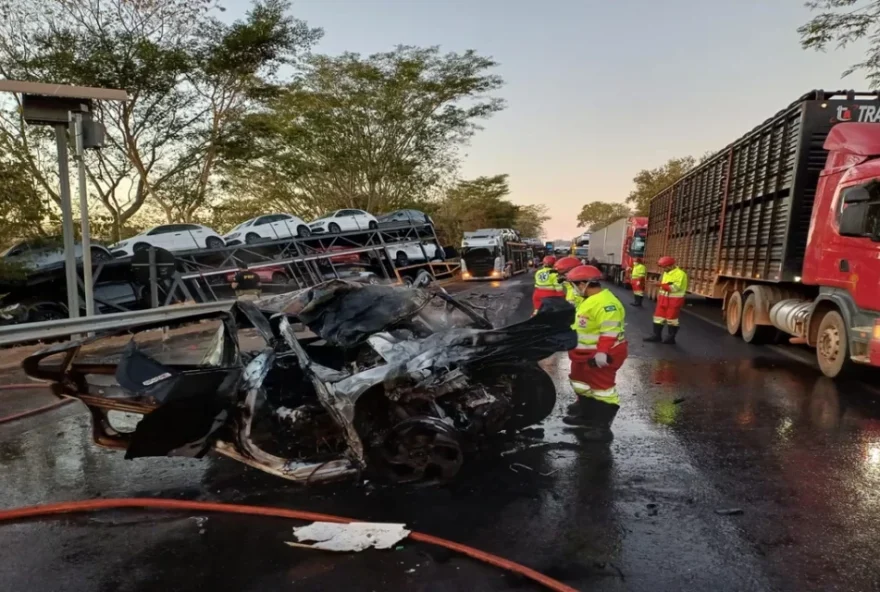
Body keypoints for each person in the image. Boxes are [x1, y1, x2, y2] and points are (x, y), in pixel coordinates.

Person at [562, 264, 628, 440]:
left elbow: (609, 332)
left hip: (600, 355)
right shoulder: (589, 301)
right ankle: (586, 416)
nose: (573, 289)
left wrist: (602, 353)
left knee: (602, 390)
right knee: (580, 383)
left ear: (585, 284)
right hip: (582, 354)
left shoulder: (607, 304)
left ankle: (602, 428)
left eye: (574, 285)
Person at [644, 256, 688, 344]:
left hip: (674, 300)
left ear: (671, 265)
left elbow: (675, 288)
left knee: (671, 319)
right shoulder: (666, 273)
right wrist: (659, 285)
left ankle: (671, 338)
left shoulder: (680, 274)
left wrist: (660, 285)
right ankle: (656, 336)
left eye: (665, 267)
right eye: (663, 267)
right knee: (658, 318)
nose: (663, 269)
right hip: (663, 299)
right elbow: (665, 285)